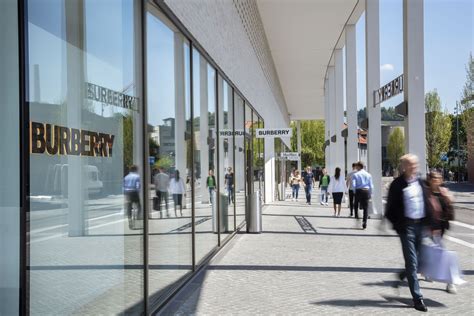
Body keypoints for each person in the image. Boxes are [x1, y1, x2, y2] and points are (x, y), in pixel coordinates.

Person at [385, 154, 432, 312]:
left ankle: (402, 274)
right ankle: (418, 299)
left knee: (419, 262)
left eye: (416, 164)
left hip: (421, 226)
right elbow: (390, 209)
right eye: (411, 164)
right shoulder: (397, 185)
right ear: (404, 166)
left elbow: (427, 203)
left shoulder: (421, 183)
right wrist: (399, 226)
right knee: (412, 263)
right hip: (407, 228)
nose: (414, 167)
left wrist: (431, 224)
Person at [426, 170, 457, 293]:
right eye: (434, 179)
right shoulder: (426, 193)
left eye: (438, 178)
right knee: (442, 254)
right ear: (430, 180)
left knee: (434, 252)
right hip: (430, 228)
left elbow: (448, 209)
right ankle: (450, 283)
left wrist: (450, 199)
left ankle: (428, 271)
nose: (436, 181)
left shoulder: (444, 192)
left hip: (441, 227)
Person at [351, 161, 373, 229]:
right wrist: (371, 193)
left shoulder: (355, 175)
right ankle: (364, 222)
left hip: (358, 191)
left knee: (355, 204)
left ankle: (357, 217)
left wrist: (354, 191)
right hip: (366, 191)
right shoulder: (369, 175)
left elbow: (354, 185)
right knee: (366, 208)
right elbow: (371, 185)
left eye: (357, 166)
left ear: (359, 166)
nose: (356, 168)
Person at [123, 165, 141, 229]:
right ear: (136, 170)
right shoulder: (137, 176)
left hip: (128, 193)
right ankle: (136, 217)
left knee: (129, 207)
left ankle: (129, 220)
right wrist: (138, 191)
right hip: (134, 192)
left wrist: (125, 193)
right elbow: (138, 185)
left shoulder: (126, 177)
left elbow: (123, 186)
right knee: (139, 206)